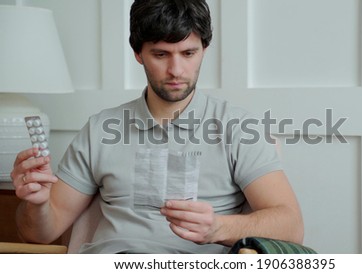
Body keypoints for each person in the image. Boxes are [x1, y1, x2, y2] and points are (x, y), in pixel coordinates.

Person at [11, 0, 304, 253]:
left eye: (188, 54)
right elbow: (39, 233)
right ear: (138, 53)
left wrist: (217, 228)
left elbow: (291, 225)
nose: (176, 70)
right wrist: (36, 204)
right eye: (161, 55)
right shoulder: (101, 129)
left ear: (204, 49)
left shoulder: (238, 128)